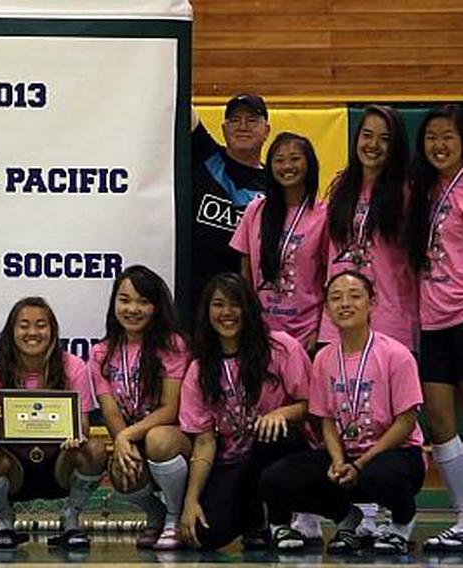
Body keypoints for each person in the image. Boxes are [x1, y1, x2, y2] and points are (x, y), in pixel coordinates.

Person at [260, 271, 425, 554]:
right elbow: (325, 420)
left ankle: (400, 524)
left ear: (372, 303)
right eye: (335, 298)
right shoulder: (324, 358)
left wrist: (361, 464)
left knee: (382, 476)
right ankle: (347, 519)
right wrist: (338, 461)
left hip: (391, 454)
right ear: (326, 308)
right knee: (276, 477)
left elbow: (406, 423)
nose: (344, 304)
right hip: (344, 453)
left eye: (354, 296)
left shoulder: (396, 355)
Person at [179, 273, 311, 551]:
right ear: (207, 311)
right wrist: (191, 501)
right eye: (218, 305)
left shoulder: (281, 347)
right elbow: (203, 441)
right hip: (233, 461)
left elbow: (310, 405)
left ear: (249, 308)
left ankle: (280, 521)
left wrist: (281, 414)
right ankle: (253, 518)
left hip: (281, 451)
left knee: (275, 433)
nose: (226, 313)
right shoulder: (200, 368)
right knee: (205, 535)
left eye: (235, 304)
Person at [0, 297, 106, 550]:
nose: (32, 332)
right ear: (11, 331)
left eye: (41, 325)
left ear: (52, 331)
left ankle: (71, 519)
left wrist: (76, 436)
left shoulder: (73, 367)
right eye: (24, 325)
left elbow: (84, 427)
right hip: (16, 470)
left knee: (96, 449)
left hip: (60, 464)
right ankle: (5, 521)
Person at [91, 266, 191, 550]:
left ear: (156, 307)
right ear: (114, 304)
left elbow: (171, 408)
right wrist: (122, 440)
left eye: (143, 302)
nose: (132, 309)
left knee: (158, 439)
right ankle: (155, 515)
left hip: (173, 437)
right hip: (134, 436)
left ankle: (174, 517)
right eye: (124, 300)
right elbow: (110, 411)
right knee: (122, 470)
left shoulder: (173, 345)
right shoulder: (102, 352)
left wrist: (126, 436)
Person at [406, 105, 463, 551]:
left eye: (447, 136)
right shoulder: (423, 191)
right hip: (434, 322)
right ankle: (462, 517)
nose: (438, 145)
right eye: (431, 138)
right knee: (441, 421)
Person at [320, 105, 417, 352]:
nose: (373, 144)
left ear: (395, 147)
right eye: (367, 135)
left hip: (389, 321)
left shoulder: (407, 193)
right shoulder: (341, 186)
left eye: (384, 139)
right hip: (337, 322)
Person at [230, 132, 327, 351]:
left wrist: (321, 329)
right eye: (279, 160)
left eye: (295, 158)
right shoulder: (255, 210)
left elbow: (329, 276)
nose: (287, 166)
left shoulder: (324, 215)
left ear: (309, 164)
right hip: (262, 331)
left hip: (307, 333)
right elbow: (245, 270)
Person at [189, 94, 270, 319]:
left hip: (244, 307)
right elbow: (177, 98)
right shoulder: (206, 155)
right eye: (235, 120)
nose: (243, 126)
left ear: (267, 130)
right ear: (223, 129)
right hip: (194, 300)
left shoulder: (277, 185)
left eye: (252, 120)